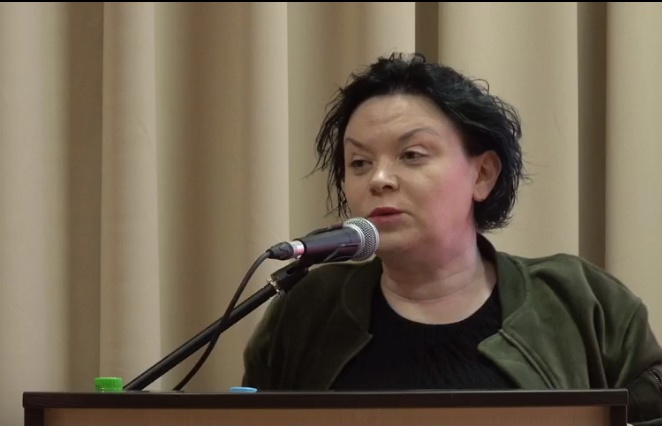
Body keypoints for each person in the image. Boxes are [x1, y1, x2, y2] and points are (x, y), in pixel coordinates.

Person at [242, 52, 662, 423]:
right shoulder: (307, 310)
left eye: (411, 155)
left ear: (482, 174)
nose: (379, 179)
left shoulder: (580, 301)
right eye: (359, 162)